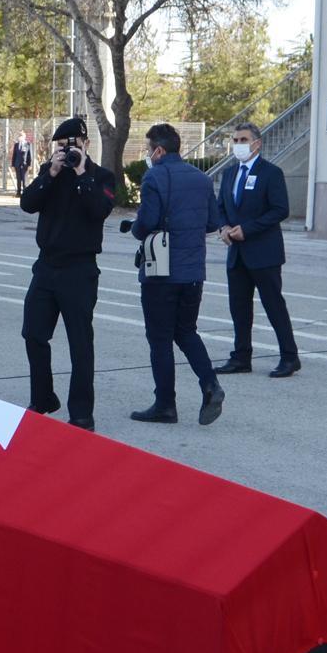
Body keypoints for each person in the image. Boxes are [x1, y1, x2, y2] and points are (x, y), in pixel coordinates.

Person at [20, 115, 117, 431]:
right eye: (62, 146)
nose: (68, 150)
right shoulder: (51, 174)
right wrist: (51, 171)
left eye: (73, 144)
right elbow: (28, 203)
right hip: (46, 267)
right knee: (34, 334)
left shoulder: (102, 177)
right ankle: (43, 397)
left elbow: (99, 210)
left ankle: (81, 413)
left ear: (87, 145)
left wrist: (80, 172)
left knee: (80, 344)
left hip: (79, 270)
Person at [127, 123, 225, 426]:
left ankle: (165, 405)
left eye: (148, 149)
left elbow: (147, 222)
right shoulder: (201, 178)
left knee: (159, 338)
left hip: (161, 272)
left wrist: (135, 227)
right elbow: (212, 222)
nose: (147, 155)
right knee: (186, 332)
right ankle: (210, 384)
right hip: (193, 271)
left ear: (159, 150)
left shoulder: (154, 175)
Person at [214, 121, 301, 379]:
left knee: (273, 305)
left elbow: (280, 210)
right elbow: (220, 207)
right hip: (237, 253)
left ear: (256, 143)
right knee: (239, 307)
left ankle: (289, 357)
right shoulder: (230, 174)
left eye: (243, 140)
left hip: (263, 252)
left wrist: (247, 229)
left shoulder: (270, 173)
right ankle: (241, 356)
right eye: (235, 140)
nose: (238, 145)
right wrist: (223, 227)